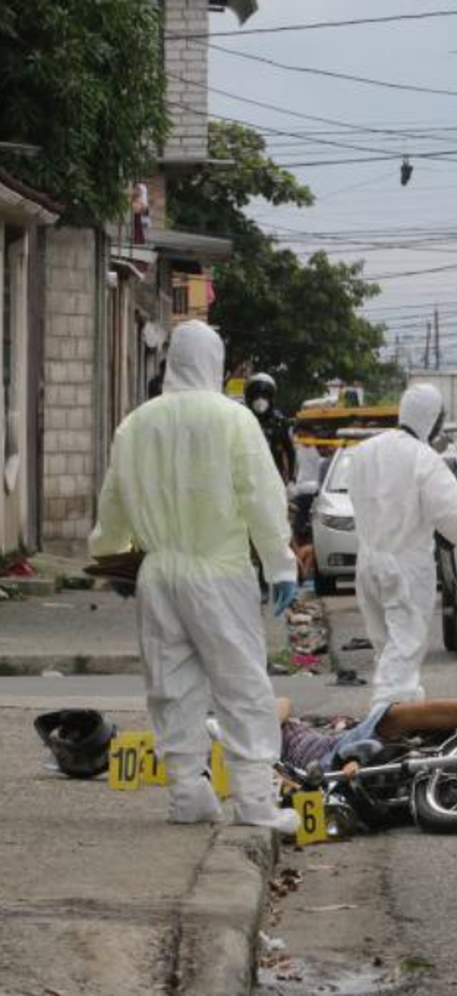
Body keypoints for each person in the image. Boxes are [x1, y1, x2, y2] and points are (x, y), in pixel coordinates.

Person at [89, 320, 301, 833]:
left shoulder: (136, 423)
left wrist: (111, 555)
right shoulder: (233, 421)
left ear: (170, 363)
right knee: (241, 683)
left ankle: (188, 792)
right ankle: (254, 800)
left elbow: (113, 501)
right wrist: (280, 564)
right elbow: (262, 498)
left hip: (158, 572)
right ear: (215, 362)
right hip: (219, 571)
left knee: (171, 684)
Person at [346, 383, 457, 708]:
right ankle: (388, 719)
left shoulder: (363, 452)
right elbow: (450, 520)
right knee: (404, 646)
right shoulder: (424, 459)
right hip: (405, 566)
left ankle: (406, 708)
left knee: (387, 647)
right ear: (432, 420)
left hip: (367, 563)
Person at [278, 694, 457, 776]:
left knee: (393, 716)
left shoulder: (252, 719)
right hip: (316, 772)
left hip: (330, 747)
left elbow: (283, 702)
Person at [244, 373, 296, 483]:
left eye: (264, 396)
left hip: (275, 478)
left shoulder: (280, 422)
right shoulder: (243, 420)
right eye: (256, 396)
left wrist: (291, 478)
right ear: (249, 398)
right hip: (248, 478)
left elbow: (290, 451)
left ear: (270, 398)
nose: (260, 401)